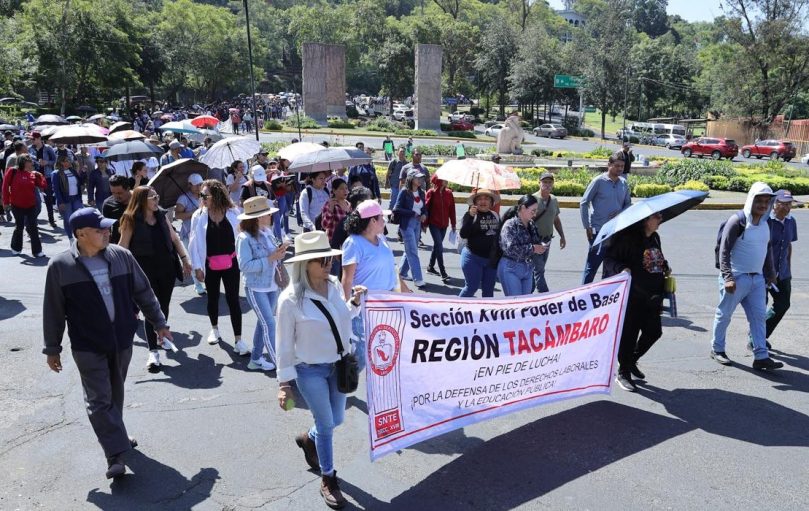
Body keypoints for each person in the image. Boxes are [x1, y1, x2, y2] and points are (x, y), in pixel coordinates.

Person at [43, 207, 171, 479]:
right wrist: (52, 348)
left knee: (115, 393)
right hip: (87, 345)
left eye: (106, 227)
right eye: (99, 229)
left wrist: (159, 323)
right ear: (80, 234)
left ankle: (117, 435)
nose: (107, 232)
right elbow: (53, 310)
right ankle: (114, 455)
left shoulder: (121, 256)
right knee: (99, 400)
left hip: (122, 340)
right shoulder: (61, 266)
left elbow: (144, 292)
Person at [276, 230, 366, 509]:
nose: (328, 263)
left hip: (338, 366)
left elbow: (340, 319)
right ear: (305, 264)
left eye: (329, 258)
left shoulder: (335, 284)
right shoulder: (290, 299)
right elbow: (283, 345)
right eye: (321, 260)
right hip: (309, 370)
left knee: (336, 419)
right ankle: (328, 478)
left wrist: (354, 304)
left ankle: (309, 438)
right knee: (327, 424)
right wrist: (284, 384)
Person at [118, 186, 191, 371]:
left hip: (166, 268)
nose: (157, 200)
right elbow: (123, 247)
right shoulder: (130, 219)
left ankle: (162, 335)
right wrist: (119, 272)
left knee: (163, 306)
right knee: (150, 309)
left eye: (157, 196)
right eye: (153, 197)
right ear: (142, 200)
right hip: (143, 271)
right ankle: (153, 352)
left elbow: (174, 239)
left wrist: (185, 260)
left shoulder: (162, 215)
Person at [711, 182, 782, 371]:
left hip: (757, 280)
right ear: (751, 200)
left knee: (759, 317)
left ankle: (761, 356)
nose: (763, 205)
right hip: (735, 278)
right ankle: (717, 349)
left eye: (766, 201)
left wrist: (770, 273)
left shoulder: (766, 224)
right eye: (759, 200)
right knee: (724, 315)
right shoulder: (737, 221)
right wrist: (728, 277)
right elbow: (724, 251)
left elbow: (767, 249)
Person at [603, 212, 669, 391]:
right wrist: (622, 268)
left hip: (653, 296)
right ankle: (623, 372)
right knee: (629, 336)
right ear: (646, 219)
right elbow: (608, 259)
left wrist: (664, 265)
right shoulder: (628, 239)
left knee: (654, 332)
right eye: (657, 217)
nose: (660, 219)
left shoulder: (655, 238)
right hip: (632, 296)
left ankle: (631, 360)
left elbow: (656, 258)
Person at [341, 200, 408, 372]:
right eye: (381, 217)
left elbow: (392, 270)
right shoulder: (353, 243)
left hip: (385, 305)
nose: (384, 221)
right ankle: (342, 384)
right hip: (362, 307)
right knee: (361, 355)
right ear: (372, 220)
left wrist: (407, 292)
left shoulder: (382, 239)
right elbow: (347, 279)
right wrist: (346, 310)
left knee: (385, 352)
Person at [189, 179, 247, 354]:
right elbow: (193, 243)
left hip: (232, 263)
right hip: (209, 264)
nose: (202, 198)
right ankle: (214, 329)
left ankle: (239, 339)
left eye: (205, 195)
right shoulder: (198, 215)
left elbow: (242, 237)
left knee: (233, 300)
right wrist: (197, 267)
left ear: (216, 195)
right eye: (201, 195)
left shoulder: (233, 212)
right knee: (212, 298)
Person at [236, 196, 288, 371]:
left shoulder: (267, 231)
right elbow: (244, 266)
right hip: (256, 287)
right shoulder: (244, 238)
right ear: (258, 217)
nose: (270, 216)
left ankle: (256, 359)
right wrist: (270, 258)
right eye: (267, 213)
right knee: (269, 324)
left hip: (272, 285)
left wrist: (281, 251)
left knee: (264, 323)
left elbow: (275, 255)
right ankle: (282, 367)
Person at [579, 150, 632, 284]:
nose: (620, 169)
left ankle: (605, 296)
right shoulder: (598, 181)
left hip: (617, 232)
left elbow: (628, 204)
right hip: (599, 231)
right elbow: (584, 203)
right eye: (617, 165)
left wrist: (620, 213)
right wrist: (587, 226)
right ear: (609, 165)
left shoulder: (623, 183)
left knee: (610, 268)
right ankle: (583, 294)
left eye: (622, 166)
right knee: (591, 267)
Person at [759, 190, 800, 347]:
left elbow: (788, 245)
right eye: (784, 204)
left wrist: (788, 269)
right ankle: (756, 340)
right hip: (763, 273)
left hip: (782, 273)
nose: (787, 207)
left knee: (783, 304)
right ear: (774, 204)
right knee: (759, 307)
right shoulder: (765, 221)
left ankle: (761, 334)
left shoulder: (791, 221)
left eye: (789, 204)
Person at [497, 195, 543, 296]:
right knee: (515, 302)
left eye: (536, 211)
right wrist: (533, 248)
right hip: (511, 267)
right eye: (533, 211)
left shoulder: (531, 224)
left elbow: (535, 241)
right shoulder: (510, 225)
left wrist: (541, 246)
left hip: (527, 267)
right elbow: (511, 249)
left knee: (525, 302)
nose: (535, 214)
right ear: (522, 208)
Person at [458, 189, 500, 297]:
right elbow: (463, 234)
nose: (483, 201)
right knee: (471, 287)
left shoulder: (495, 215)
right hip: (472, 258)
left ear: (491, 202)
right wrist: (470, 216)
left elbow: (499, 236)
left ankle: (486, 309)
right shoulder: (470, 215)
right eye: (479, 199)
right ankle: (457, 307)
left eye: (486, 199)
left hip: (491, 260)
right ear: (475, 202)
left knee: (489, 290)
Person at [2, 154, 46, 257]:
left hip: (31, 205)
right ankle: (16, 248)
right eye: (29, 161)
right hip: (16, 205)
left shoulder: (32, 174)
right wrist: (6, 202)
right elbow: (5, 187)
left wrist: (40, 175)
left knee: (33, 227)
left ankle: (37, 251)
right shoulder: (12, 171)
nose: (32, 163)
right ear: (23, 162)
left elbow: (43, 185)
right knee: (19, 227)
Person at [531, 172, 566, 292]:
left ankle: (527, 292)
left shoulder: (554, 200)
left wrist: (562, 236)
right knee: (539, 269)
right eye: (544, 182)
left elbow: (556, 219)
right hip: (534, 240)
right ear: (539, 183)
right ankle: (545, 295)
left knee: (537, 269)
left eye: (550, 182)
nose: (547, 184)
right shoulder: (532, 199)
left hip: (547, 240)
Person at [394, 169, 428, 288]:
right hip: (407, 224)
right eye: (417, 178)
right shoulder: (404, 192)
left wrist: (424, 214)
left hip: (417, 223)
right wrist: (412, 213)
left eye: (421, 178)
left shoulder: (421, 192)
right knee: (413, 251)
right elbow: (397, 208)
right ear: (411, 178)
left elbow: (424, 208)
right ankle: (418, 279)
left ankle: (402, 273)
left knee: (410, 249)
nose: (420, 180)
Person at [175, 173, 205, 295]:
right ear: (189, 185)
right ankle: (197, 284)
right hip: (188, 233)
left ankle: (206, 279)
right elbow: (177, 215)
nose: (198, 187)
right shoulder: (183, 198)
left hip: (203, 232)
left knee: (204, 258)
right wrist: (194, 212)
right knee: (193, 259)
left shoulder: (205, 195)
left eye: (200, 184)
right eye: (196, 185)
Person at [424, 175, 456, 282]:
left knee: (437, 246)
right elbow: (426, 209)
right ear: (439, 181)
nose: (447, 181)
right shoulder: (431, 193)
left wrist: (453, 224)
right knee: (439, 246)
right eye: (444, 179)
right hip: (434, 224)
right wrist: (424, 224)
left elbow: (452, 210)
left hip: (444, 225)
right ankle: (443, 272)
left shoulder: (449, 193)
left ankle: (430, 267)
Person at [53, 155, 85, 240]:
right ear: (60, 162)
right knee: (68, 220)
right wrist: (60, 202)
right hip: (65, 200)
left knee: (79, 218)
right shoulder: (56, 173)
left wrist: (83, 172)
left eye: (68, 160)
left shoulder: (73, 171)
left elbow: (81, 182)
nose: (67, 163)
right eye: (64, 161)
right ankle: (71, 238)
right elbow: (56, 190)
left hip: (76, 198)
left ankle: (78, 237)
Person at [29, 132, 57, 227]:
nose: (32, 141)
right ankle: (32, 221)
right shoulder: (30, 149)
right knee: (33, 200)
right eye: (31, 139)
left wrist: (47, 162)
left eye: (33, 139)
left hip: (46, 176)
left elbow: (54, 160)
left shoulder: (48, 148)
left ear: (39, 138)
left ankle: (51, 220)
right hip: (33, 176)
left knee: (48, 199)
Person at [102, 175, 132, 244]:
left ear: (128, 189)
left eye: (119, 193)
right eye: (113, 193)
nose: (116, 196)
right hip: (118, 243)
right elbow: (106, 228)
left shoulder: (138, 201)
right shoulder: (108, 204)